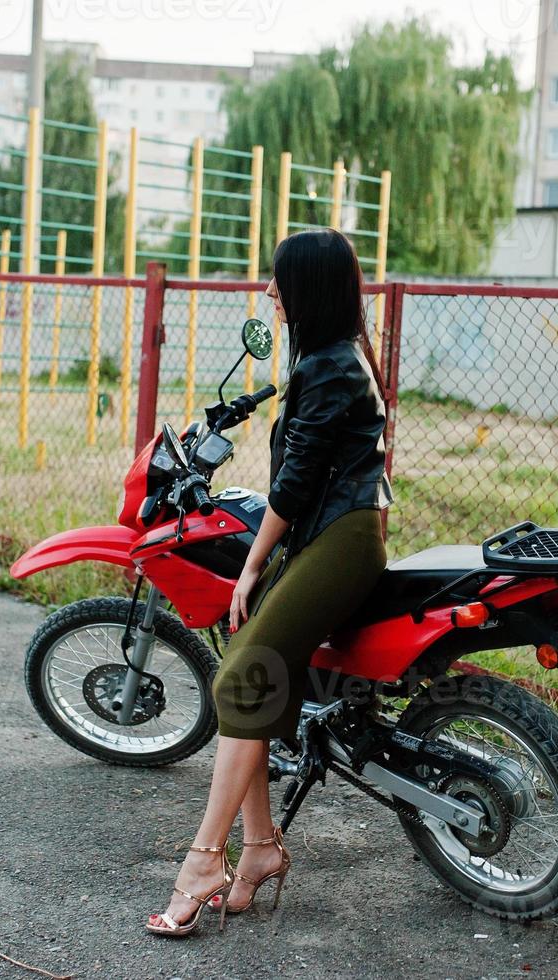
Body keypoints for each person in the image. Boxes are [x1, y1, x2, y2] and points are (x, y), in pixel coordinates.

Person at [146, 228, 395, 936]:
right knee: (249, 670)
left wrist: (251, 566)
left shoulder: (331, 367)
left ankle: (202, 861)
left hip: (341, 541)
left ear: (307, 289)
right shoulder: (329, 358)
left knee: (239, 679)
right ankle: (258, 848)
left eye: (278, 281)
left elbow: (294, 482)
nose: (268, 292)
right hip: (331, 532)